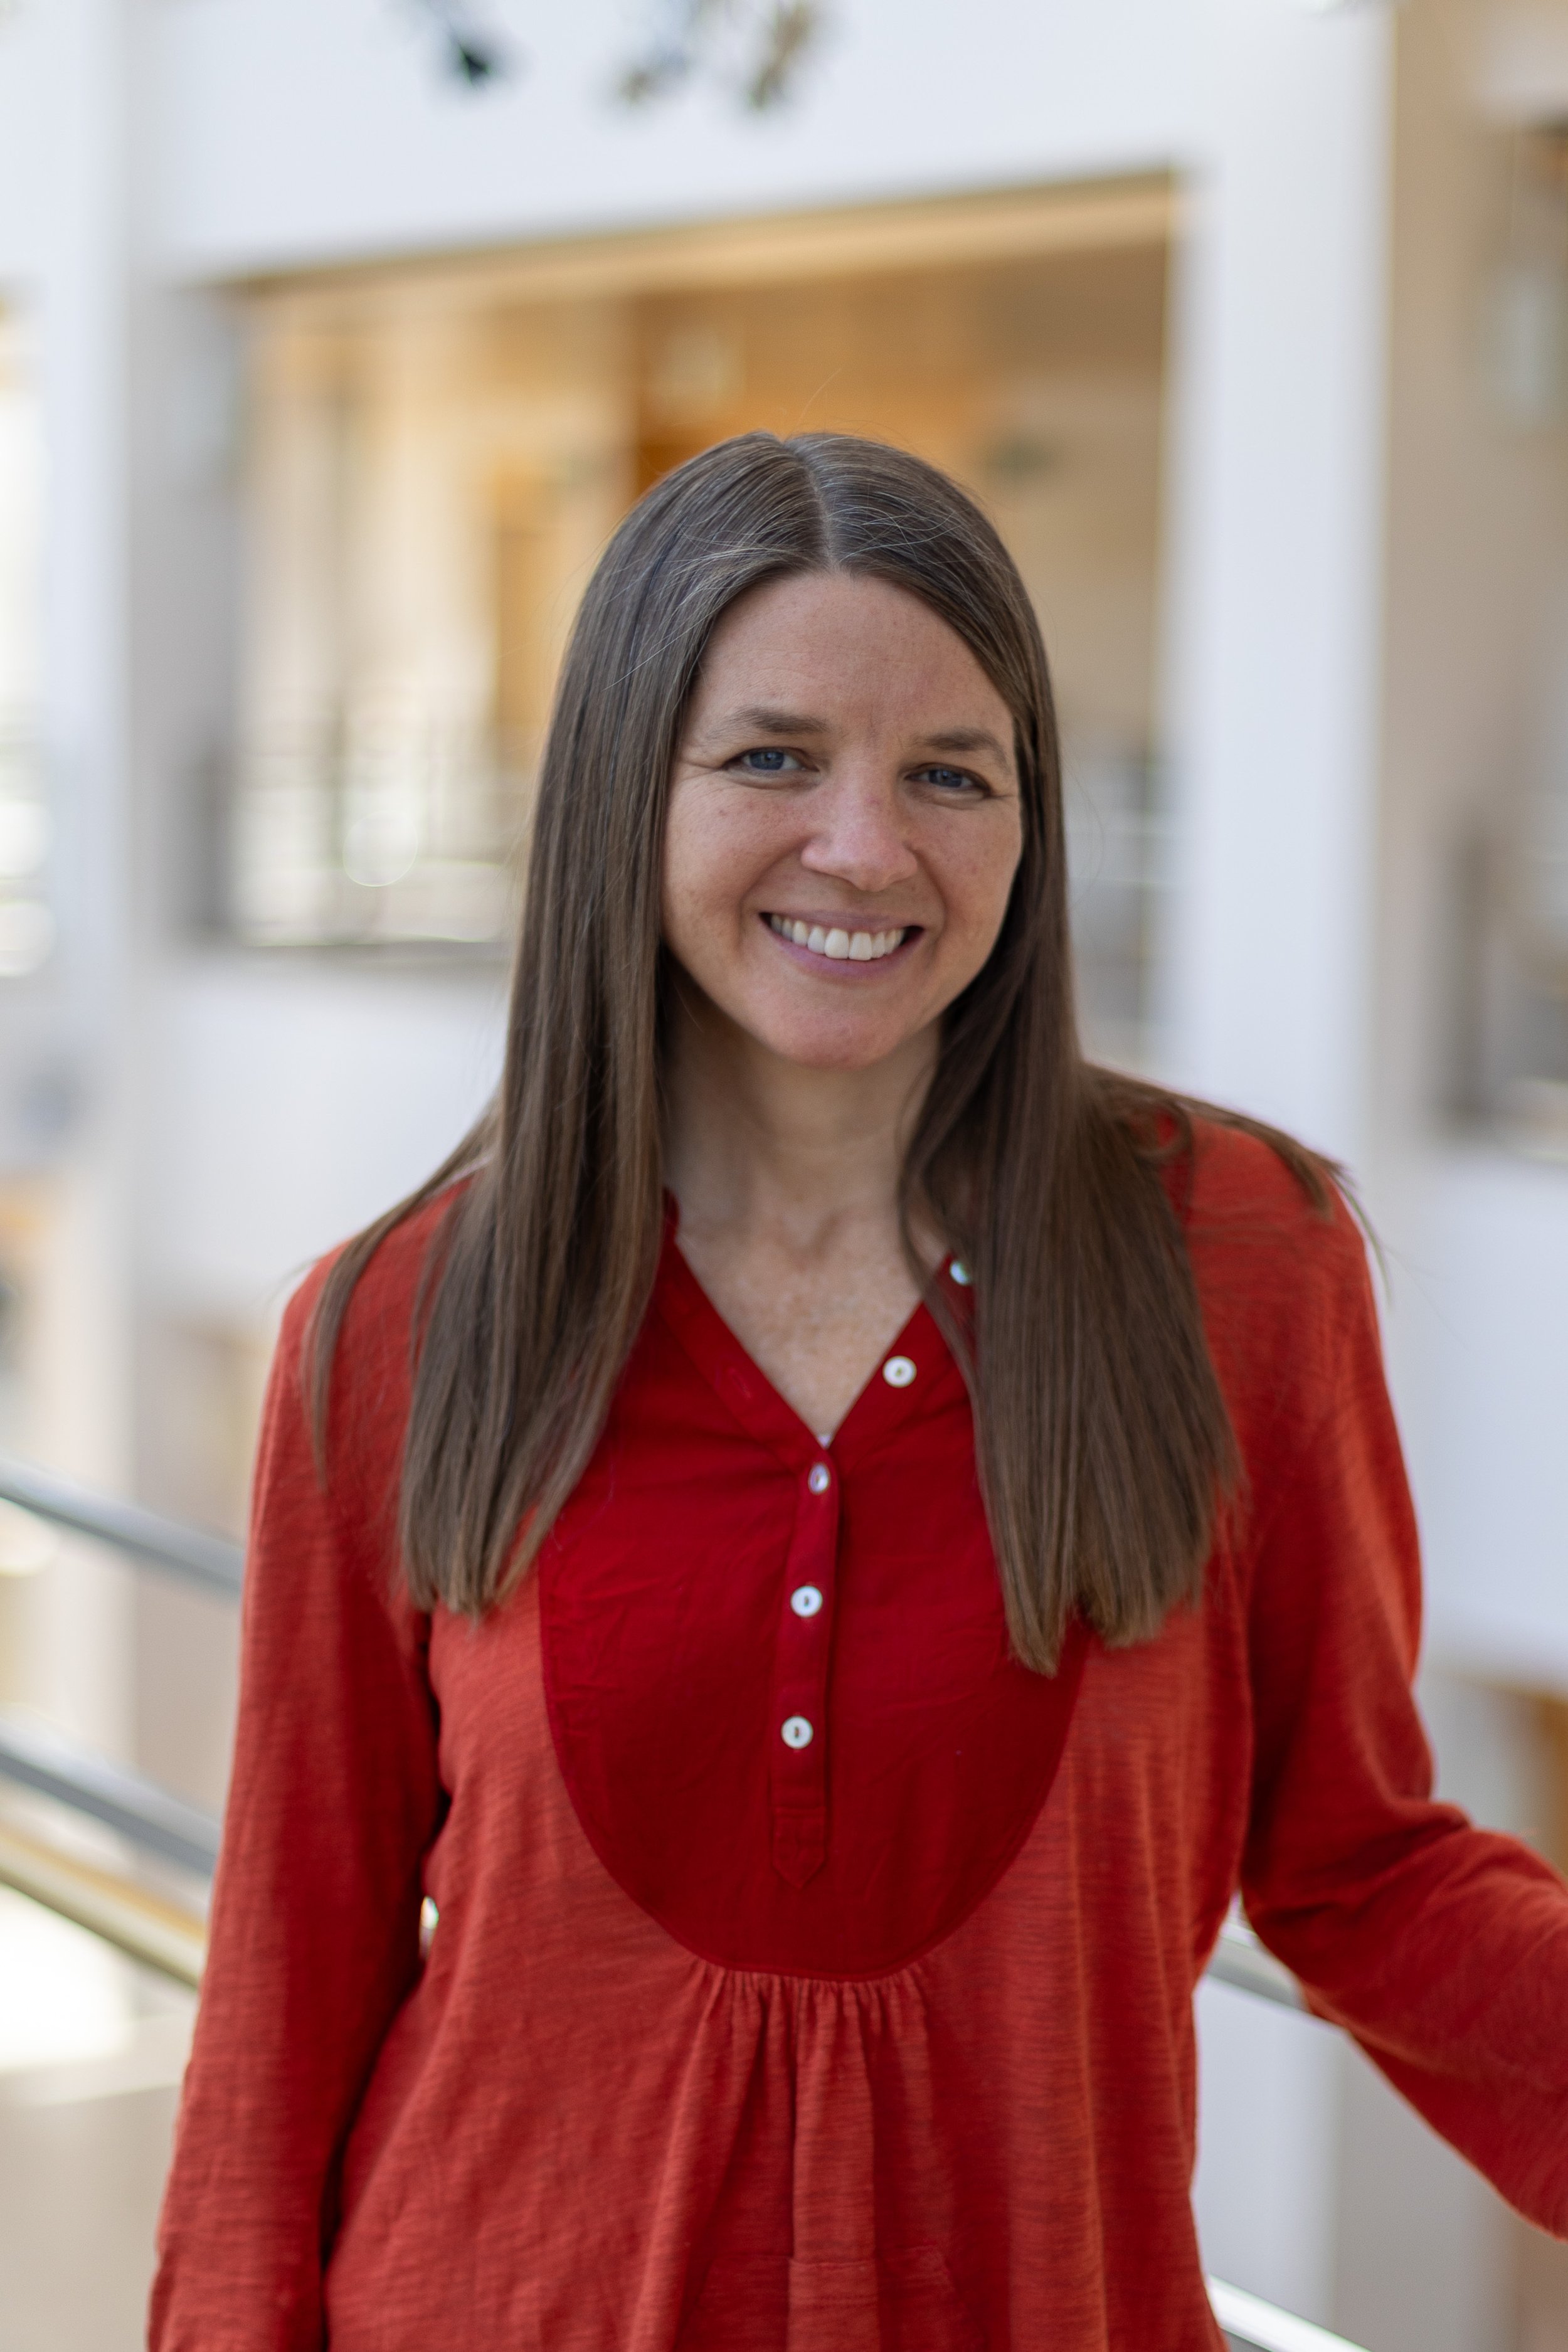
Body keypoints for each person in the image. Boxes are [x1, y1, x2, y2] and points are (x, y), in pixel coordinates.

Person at [150, 433, 1568, 2352]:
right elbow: (284, 2002)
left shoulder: (1235, 1261)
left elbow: (1365, 1861)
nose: (864, 846)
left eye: (947, 775)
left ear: (1025, 822)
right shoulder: (392, 1334)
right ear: (618, 791)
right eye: (770, 757)